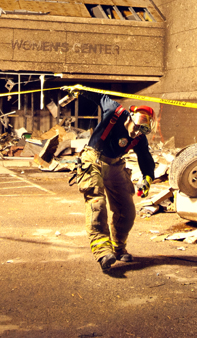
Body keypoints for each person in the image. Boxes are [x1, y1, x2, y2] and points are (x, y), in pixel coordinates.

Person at [74, 93, 156, 272]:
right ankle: (102, 251)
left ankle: (118, 247)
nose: (136, 132)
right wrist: (79, 90)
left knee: (127, 210)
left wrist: (147, 179)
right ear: (130, 118)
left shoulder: (139, 138)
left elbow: (145, 158)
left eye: (142, 130)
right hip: (93, 158)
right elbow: (98, 96)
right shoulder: (114, 111)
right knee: (97, 203)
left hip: (115, 164)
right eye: (136, 127)